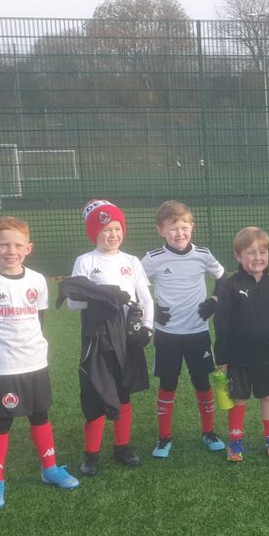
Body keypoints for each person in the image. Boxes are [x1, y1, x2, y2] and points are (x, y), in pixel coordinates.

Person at [0, 216, 80, 508]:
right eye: (3, 245)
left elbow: (39, 318)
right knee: (2, 421)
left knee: (40, 415)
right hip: (3, 367)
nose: (10, 251)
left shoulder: (37, 280)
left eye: (17, 245)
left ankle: (49, 469)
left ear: (28, 248)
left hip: (35, 362)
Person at [64, 200, 153, 476]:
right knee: (96, 393)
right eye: (105, 230)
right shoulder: (85, 261)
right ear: (94, 233)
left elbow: (145, 297)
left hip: (127, 335)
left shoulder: (131, 261)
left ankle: (122, 446)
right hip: (98, 335)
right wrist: (107, 298)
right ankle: (91, 454)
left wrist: (148, 327)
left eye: (117, 228)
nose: (112, 235)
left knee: (123, 391)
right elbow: (73, 302)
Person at [141, 200, 227, 458]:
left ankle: (209, 432)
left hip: (197, 332)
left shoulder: (203, 255)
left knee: (202, 381)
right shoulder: (153, 259)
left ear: (192, 227)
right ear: (161, 231)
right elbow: (134, 284)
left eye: (184, 227)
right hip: (167, 335)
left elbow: (222, 277)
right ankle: (164, 438)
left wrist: (214, 301)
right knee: (168, 383)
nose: (179, 233)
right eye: (172, 228)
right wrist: (151, 309)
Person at [214, 227, 269, 462]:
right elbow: (221, 323)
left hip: (267, 355)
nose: (258, 258)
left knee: (268, 397)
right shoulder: (231, 285)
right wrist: (222, 357)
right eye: (251, 252)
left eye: (262, 252)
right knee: (239, 400)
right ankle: (235, 442)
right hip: (238, 358)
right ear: (238, 256)